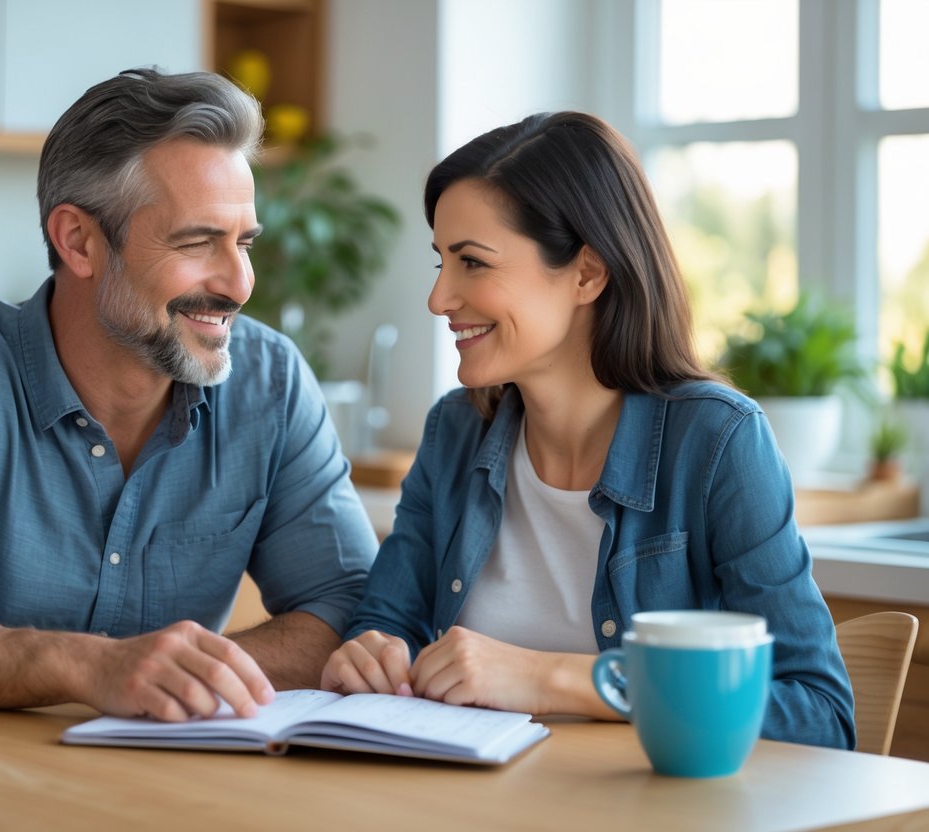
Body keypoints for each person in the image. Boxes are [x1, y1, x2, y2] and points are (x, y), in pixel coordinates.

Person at [0, 68, 378, 723]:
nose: (239, 283)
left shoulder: (270, 382)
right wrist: (89, 666)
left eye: (242, 242)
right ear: (78, 241)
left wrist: (182, 674)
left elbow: (354, 608)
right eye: (196, 242)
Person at [319, 111, 855, 749]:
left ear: (587, 274)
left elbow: (820, 714)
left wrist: (553, 679)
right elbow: (386, 622)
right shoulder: (454, 432)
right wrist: (368, 654)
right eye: (441, 262)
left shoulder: (717, 440)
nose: (439, 298)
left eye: (472, 264)